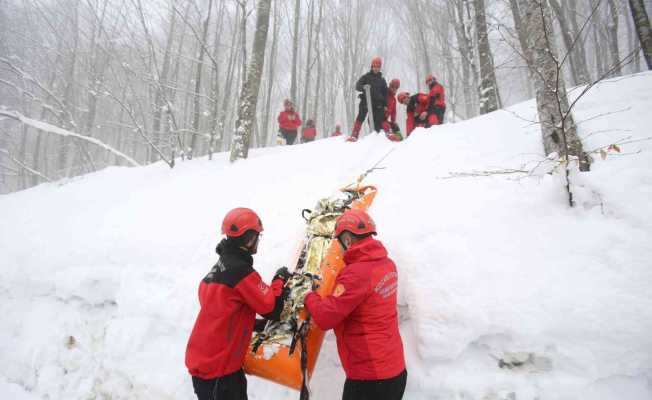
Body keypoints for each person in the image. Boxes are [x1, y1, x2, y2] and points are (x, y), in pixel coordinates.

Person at [185, 208, 291, 400]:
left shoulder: (214, 273)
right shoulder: (241, 272)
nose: (258, 241)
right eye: (257, 236)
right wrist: (279, 281)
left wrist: (254, 325)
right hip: (219, 372)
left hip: (207, 367)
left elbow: (224, 314)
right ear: (249, 239)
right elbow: (273, 308)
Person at [304, 209, 407, 400]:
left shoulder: (355, 274)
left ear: (348, 240)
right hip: (395, 369)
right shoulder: (387, 265)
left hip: (370, 378)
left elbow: (326, 317)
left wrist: (309, 297)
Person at [348, 56, 388, 142]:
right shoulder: (366, 77)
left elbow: (385, 93)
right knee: (361, 117)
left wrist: (385, 104)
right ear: (372, 66)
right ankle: (355, 134)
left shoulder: (382, 80)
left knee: (379, 119)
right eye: (374, 66)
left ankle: (380, 136)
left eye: (378, 67)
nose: (376, 68)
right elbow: (358, 86)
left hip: (377, 104)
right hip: (366, 102)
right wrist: (364, 87)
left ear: (380, 67)